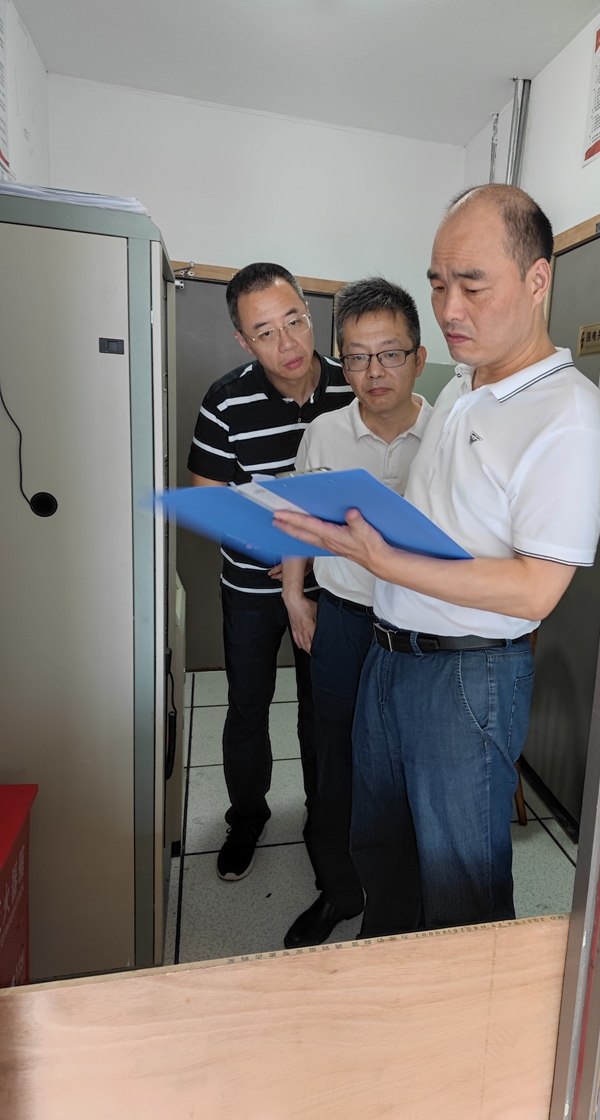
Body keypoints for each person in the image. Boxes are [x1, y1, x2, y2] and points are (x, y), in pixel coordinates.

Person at [274, 185, 600, 935]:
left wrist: (384, 560)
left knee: (461, 886)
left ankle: (466, 1012)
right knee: (382, 853)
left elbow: (535, 591)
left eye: (472, 285)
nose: (449, 308)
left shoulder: (567, 415)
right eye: (437, 283)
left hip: (466, 677)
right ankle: (393, 983)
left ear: (537, 278)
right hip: (389, 658)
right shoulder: (463, 386)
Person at [187, 262, 354, 881]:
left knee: (325, 709)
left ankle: (324, 820)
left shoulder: (350, 384)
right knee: (248, 706)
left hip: (334, 587)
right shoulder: (225, 400)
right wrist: (280, 560)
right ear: (243, 340)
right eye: (265, 332)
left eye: (295, 321)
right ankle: (246, 817)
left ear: (311, 315)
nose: (287, 343)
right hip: (252, 588)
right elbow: (209, 501)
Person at [280, 277, 432, 947]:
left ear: (418, 358)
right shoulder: (324, 434)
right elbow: (297, 519)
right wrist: (295, 594)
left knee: (410, 767)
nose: (374, 372)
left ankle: (401, 906)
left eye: (390, 354)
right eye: (358, 357)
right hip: (342, 620)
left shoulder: (450, 434)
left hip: (423, 628)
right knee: (334, 759)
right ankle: (340, 890)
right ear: (341, 362)